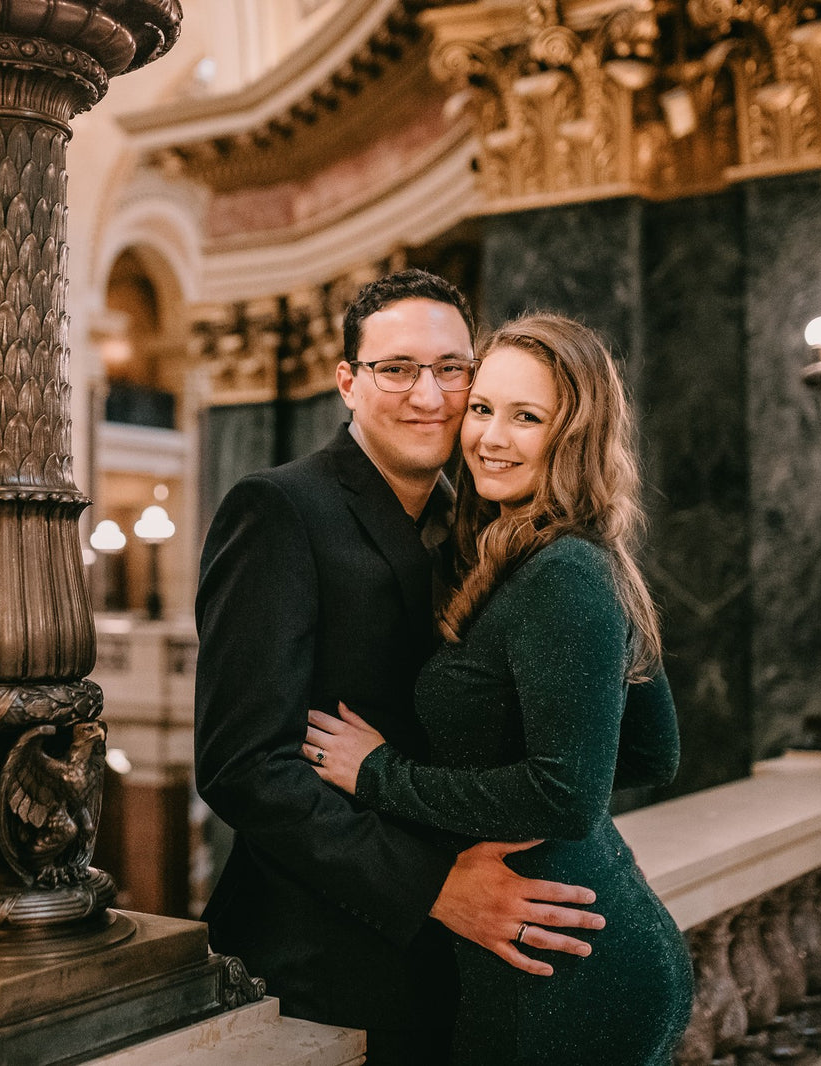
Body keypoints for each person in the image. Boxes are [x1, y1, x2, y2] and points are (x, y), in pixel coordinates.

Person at [193, 271, 608, 1065]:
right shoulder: (278, 508)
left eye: (453, 370)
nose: (430, 394)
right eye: (397, 369)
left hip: (464, 960)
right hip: (319, 960)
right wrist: (437, 889)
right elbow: (243, 767)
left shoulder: (486, 523)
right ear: (348, 382)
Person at [303, 313, 694, 1064]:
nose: (489, 437)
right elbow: (650, 752)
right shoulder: (557, 554)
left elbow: (567, 797)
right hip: (582, 939)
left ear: (571, 434)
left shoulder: (564, 573)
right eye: (482, 409)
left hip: (556, 973)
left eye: (526, 418)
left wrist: (381, 775)